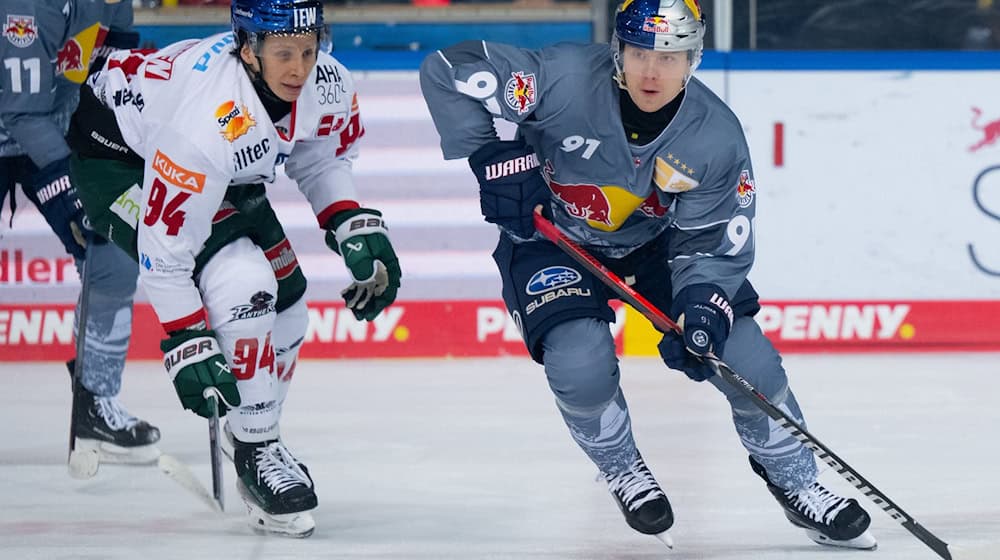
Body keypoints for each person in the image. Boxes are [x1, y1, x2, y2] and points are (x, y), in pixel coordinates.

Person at [419, 0, 876, 550]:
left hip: (655, 246)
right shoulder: (559, 79)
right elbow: (447, 69)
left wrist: (704, 303)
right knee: (580, 360)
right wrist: (489, 155)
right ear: (618, 51)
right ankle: (621, 468)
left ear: (694, 60)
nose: (652, 71)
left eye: (671, 56)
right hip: (548, 240)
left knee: (742, 356)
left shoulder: (714, 137)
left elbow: (712, 242)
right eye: (639, 53)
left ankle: (798, 482)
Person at [67, 0, 401, 538]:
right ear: (249, 50)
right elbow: (165, 251)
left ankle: (256, 429)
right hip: (118, 162)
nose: (299, 68)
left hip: (209, 164)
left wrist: (350, 221)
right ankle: (256, 448)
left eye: (308, 51)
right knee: (244, 285)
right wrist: (186, 338)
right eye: (284, 53)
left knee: (289, 303)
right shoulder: (209, 121)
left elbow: (318, 155)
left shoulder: (326, 82)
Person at [0, 0, 161, 465]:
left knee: (112, 251)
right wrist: (69, 187)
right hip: (23, 124)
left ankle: (95, 400)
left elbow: (121, 76)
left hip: (56, 130)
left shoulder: (113, 2)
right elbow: (19, 114)